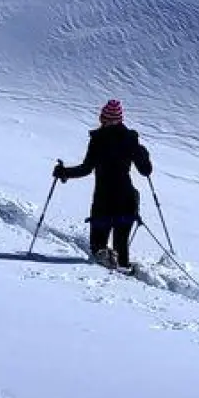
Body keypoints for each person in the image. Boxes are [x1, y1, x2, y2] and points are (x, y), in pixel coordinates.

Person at [54, 99, 153, 270]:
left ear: (105, 119)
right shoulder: (130, 139)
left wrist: (64, 172)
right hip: (126, 198)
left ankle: (110, 277)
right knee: (121, 247)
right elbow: (146, 171)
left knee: (98, 248)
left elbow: (86, 169)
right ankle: (123, 274)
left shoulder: (98, 140)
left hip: (104, 199)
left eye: (104, 117)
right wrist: (143, 154)